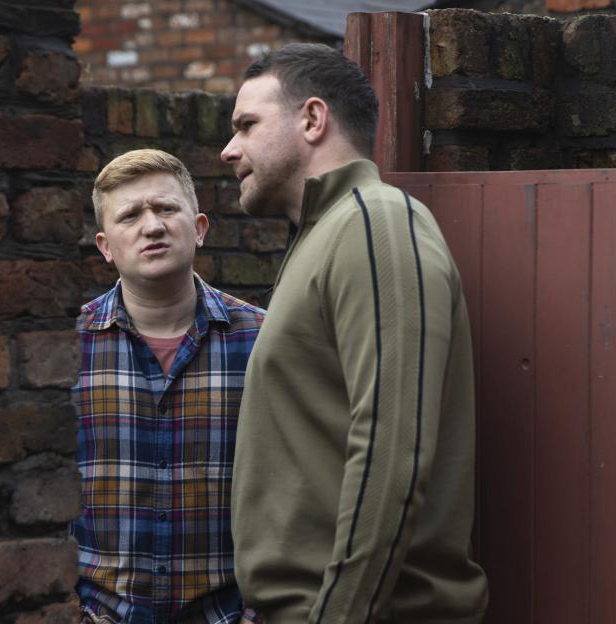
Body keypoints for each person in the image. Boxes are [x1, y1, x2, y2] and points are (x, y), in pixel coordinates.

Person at [220, 44, 489, 623]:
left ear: (313, 119)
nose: (229, 149)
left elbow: (392, 455)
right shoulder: (326, 234)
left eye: (246, 125)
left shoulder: (376, 224)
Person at [70, 149, 265, 624]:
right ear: (105, 247)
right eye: (130, 215)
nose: (152, 226)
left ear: (199, 228)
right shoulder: (66, 348)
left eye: (166, 208)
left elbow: (297, 487)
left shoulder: (263, 339)